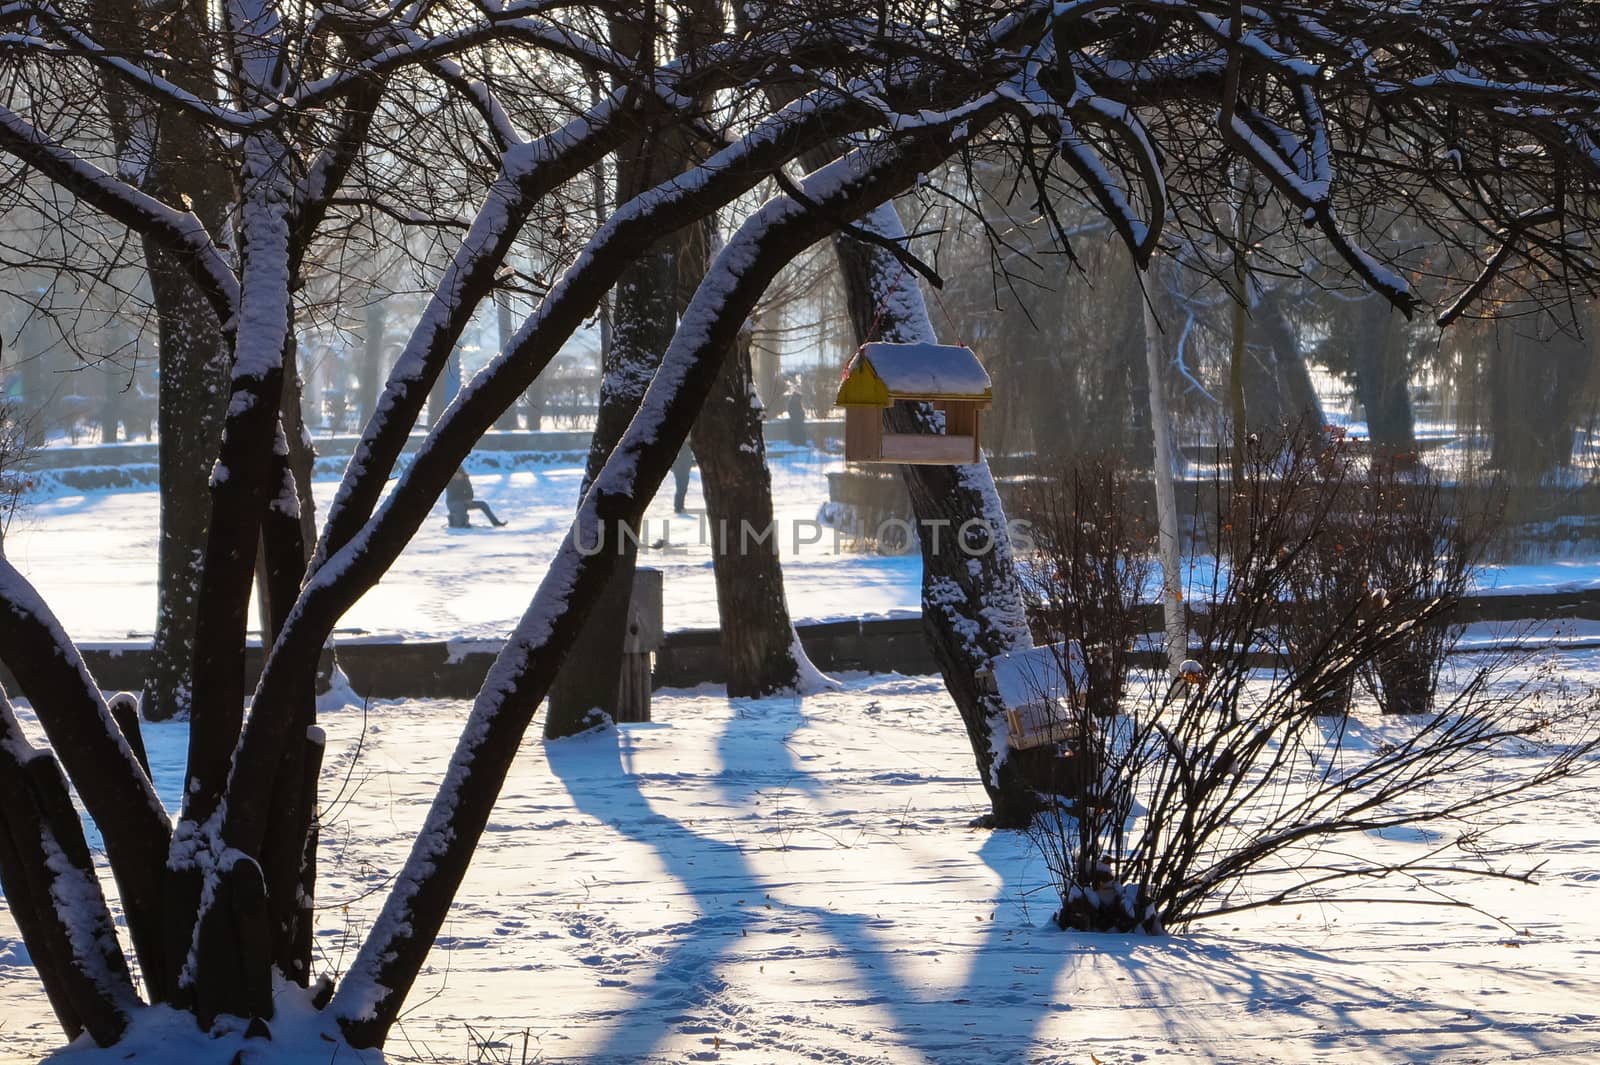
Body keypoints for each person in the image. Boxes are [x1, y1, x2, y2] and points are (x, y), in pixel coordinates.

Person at [671, 443, 695, 514]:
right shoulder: (683, 446)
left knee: (683, 489)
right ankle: (678, 508)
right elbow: (680, 460)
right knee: (681, 488)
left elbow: (688, 460)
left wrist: (693, 463)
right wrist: (675, 467)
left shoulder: (687, 447)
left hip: (685, 470)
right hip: (680, 471)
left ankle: (680, 507)